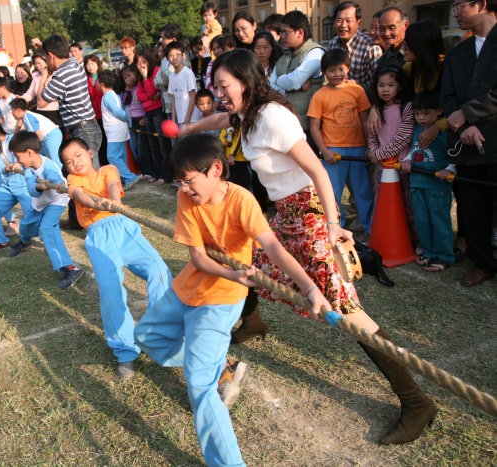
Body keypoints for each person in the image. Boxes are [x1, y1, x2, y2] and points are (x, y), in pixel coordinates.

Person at [185, 49, 437, 445]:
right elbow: (220, 119)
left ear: (246, 82)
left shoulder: (273, 117)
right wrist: (187, 129)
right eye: (215, 86)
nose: (218, 93)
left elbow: (317, 169)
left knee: (345, 309)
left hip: (309, 213)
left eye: (223, 85)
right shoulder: (246, 115)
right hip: (287, 213)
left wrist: (333, 225)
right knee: (246, 259)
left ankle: (416, 401)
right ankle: (252, 322)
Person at [133, 133, 332, 467]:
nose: (185, 188)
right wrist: (230, 272)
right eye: (180, 182)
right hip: (189, 285)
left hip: (221, 299)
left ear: (215, 169)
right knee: (146, 336)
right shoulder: (187, 197)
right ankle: (221, 367)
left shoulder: (241, 201)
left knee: (199, 385)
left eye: (189, 180)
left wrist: (310, 289)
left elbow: (273, 247)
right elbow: (198, 258)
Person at [59, 137, 172, 378]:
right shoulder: (73, 180)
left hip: (123, 227)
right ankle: (125, 349)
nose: (75, 162)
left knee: (158, 270)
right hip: (98, 237)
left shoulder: (108, 169)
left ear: (90, 153)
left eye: (78, 155)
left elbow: (112, 185)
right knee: (111, 292)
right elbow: (81, 196)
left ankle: (158, 330)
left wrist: (115, 202)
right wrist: (101, 205)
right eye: (68, 161)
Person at [440, 0, 497, 287]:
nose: (455, 12)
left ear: (482, 4)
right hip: (466, 141)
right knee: (473, 206)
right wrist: (463, 123)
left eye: (461, 4)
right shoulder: (457, 52)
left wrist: (469, 113)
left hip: (494, 137)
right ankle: (482, 262)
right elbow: (447, 96)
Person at [2, 131, 85, 288]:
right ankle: (25, 241)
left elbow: (54, 176)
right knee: (26, 224)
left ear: (29, 152)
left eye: (18, 157)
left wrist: (59, 183)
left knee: (47, 228)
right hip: (40, 201)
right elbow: (31, 187)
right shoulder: (29, 169)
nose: (18, 160)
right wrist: (39, 186)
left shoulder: (48, 165)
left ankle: (72, 268)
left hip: (56, 201)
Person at [38, 35, 103, 230]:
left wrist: (44, 75)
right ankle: (77, 219)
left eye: (46, 58)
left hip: (83, 130)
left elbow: (41, 102)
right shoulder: (74, 64)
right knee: (73, 175)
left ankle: (97, 220)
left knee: (88, 178)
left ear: (50, 55)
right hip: (85, 128)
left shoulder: (62, 74)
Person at [308, 49, 374, 235]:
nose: (337, 74)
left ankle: (370, 227)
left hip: (358, 148)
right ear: (323, 72)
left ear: (348, 69)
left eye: (341, 69)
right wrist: (324, 151)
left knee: (363, 191)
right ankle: (336, 226)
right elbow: (314, 127)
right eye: (331, 70)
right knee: (333, 192)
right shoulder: (320, 95)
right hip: (333, 151)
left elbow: (365, 120)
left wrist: (369, 146)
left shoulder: (357, 90)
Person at [400, 91, 454, 272]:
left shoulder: (444, 132)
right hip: (417, 184)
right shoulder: (417, 129)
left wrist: (450, 169)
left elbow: (454, 154)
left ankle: (444, 256)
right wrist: (407, 159)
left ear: (439, 111)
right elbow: (414, 150)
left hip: (438, 186)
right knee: (422, 221)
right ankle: (428, 252)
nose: (421, 118)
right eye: (417, 114)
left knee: (439, 221)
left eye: (426, 113)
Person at [368, 65, 418, 248]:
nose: (385, 89)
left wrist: (379, 154)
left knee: (408, 206)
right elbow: (372, 134)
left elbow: (404, 137)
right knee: (382, 203)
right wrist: (374, 151)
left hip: (403, 166)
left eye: (390, 85)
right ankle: (379, 238)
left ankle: (415, 241)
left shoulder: (406, 107)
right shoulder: (377, 109)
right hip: (384, 168)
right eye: (381, 85)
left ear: (400, 86)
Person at [269, 11, 325, 144]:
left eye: (286, 32)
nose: (282, 36)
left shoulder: (315, 53)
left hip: (309, 128)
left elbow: (294, 81)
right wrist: (287, 87)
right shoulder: (284, 57)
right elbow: (270, 86)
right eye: (281, 32)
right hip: (288, 126)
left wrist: (282, 81)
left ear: (300, 32)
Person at [96, 70, 140, 190]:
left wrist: (126, 119)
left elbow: (118, 112)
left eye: (97, 81)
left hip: (115, 130)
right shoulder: (112, 94)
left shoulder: (107, 96)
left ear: (101, 83)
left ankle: (130, 177)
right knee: (120, 156)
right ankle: (124, 179)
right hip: (119, 130)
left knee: (112, 156)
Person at [326, 2, 383, 93]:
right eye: (339, 20)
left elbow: (378, 85)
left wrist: (356, 86)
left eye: (348, 21)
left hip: (361, 99)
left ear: (358, 23)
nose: (343, 25)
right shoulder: (333, 44)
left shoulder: (370, 47)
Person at [135, 48, 172, 185]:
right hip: (148, 113)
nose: (141, 65)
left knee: (163, 146)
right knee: (153, 147)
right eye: (138, 63)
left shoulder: (156, 71)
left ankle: (166, 175)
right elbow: (140, 96)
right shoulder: (140, 77)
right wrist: (150, 96)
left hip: (158, 112)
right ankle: (156, 173)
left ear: (149, 60)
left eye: (143, 62)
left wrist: (145, 78)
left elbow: (151, 92)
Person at [10, 97, 63, 167]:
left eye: (13, 111)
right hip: (47, 137)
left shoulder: (27, 117)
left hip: (50, 135)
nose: (12, 114)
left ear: (19, 110)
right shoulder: (26, 116)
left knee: (54, 159)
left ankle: (60, 173)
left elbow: (37, 134)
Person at [121, 65, 149, 179]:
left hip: (143, 119)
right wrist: (127, 87)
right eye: (125, 78)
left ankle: (148, 171)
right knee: (136, 148)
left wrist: (146, 117)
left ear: (136, 73)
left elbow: (147, 102)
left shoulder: (140, 86)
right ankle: (142, 171)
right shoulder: (129, 89)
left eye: (129, 75)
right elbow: (125, 101)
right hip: (134, 121)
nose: (127, 79)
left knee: (143, 148)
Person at [166, 41, 197, 129]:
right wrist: (173, 121)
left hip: (191, 119)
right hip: (180, 119)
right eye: (171, 55)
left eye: (177, 54)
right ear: (167, 59)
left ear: (183, 55)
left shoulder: (188, 73)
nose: (174, 58)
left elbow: (193, 96)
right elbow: (174, 99)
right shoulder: (171, 76)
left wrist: (187, 119)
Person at [84, 54, 108, 167]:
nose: (90, 66)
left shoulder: (103, 77)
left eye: (92, 63)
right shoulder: (85, 80)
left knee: (107, 140)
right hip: (93, 116)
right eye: (88, 64)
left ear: (98, 64)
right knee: (99, 141)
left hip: (105, 114)